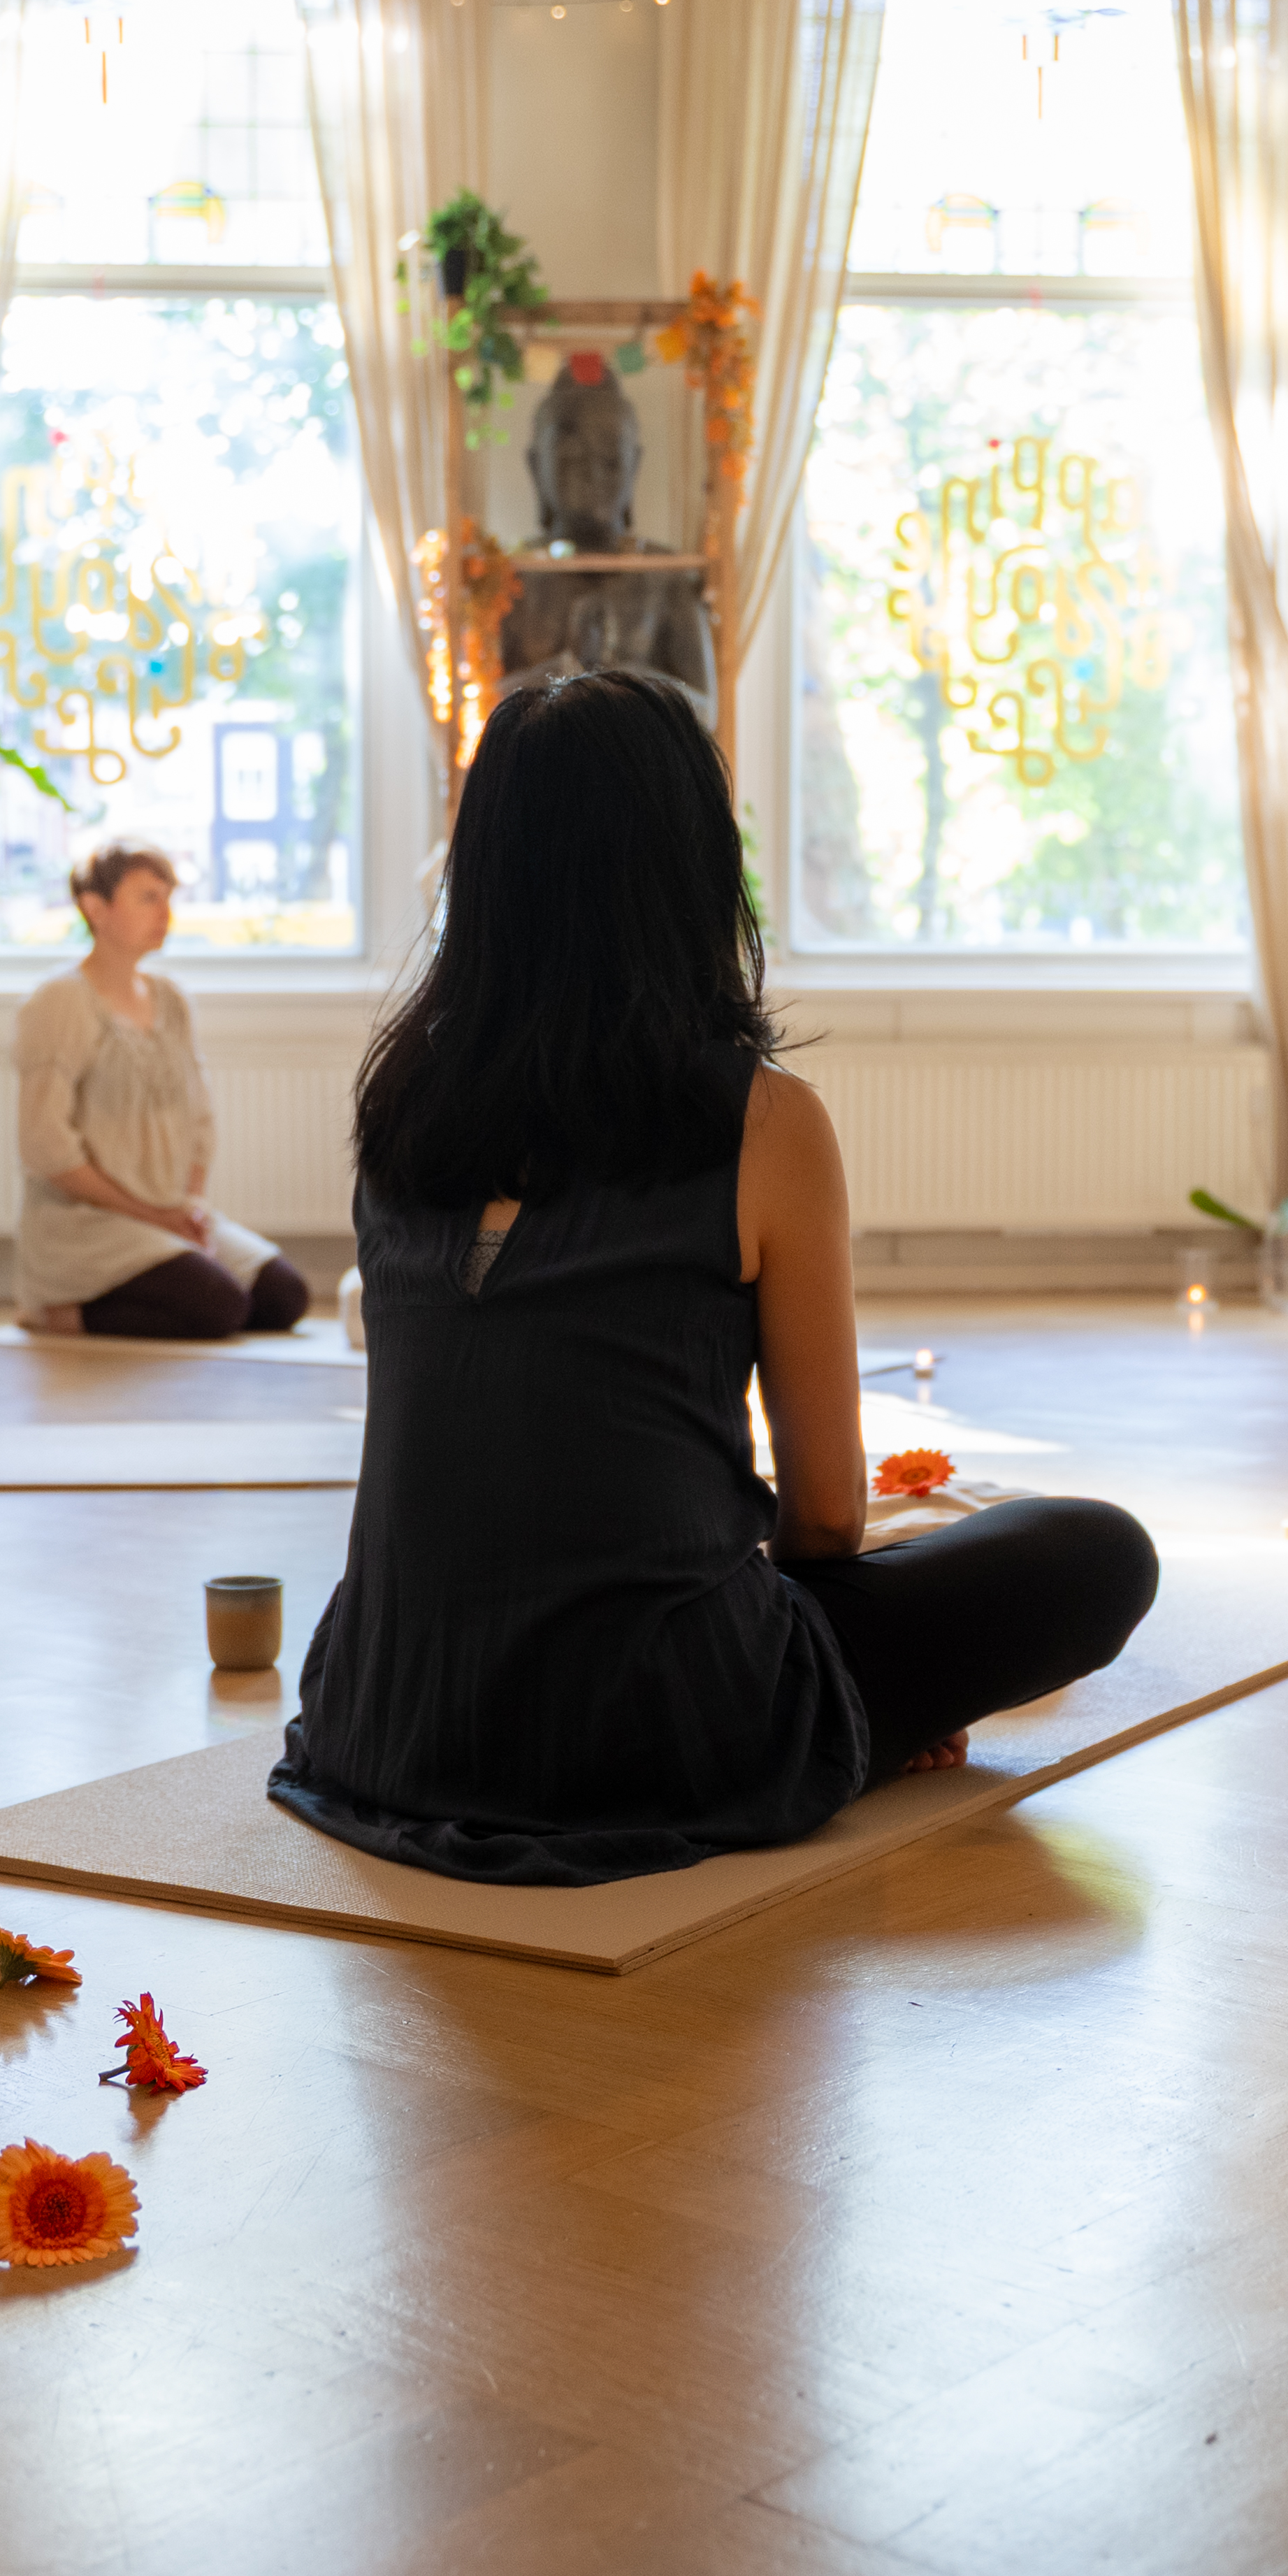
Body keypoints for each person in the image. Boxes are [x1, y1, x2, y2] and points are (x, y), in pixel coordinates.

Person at [273, 670, 1162, 1885]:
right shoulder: (761, 1120)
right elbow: (827, 1518)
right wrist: (857, 1677)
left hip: (380, 1718)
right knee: (1092, 1551)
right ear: (691, 861)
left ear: (483, 876)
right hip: (659, 1733)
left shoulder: (399, 1113)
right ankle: (840, 1733)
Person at [10, 841, 313, 1339]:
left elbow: (200, 1118)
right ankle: (59, 1309)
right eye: (148, 897)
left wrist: (189, 1207)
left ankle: (168, 1272)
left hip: (170, 1214)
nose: (165, 913)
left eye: (168, 897)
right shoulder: (58, 1002)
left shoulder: (171, 1000)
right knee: (220, 1307)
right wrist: (156, 1215)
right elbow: (47, 1147)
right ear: (95, 907)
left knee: (285, 1296)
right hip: (88, 1225)